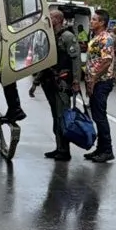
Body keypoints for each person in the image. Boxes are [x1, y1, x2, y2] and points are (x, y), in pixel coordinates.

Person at [39, 10, 81, 161]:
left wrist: (76, 81)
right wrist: (37, 81)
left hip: (62, 82)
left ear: (57, 19)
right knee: (55, 116)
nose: (48, 19)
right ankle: (59, 147)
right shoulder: (51, 37)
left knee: (62, 116)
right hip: (50, 81)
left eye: (50, 17)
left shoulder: (68, 37)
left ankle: (64, 150)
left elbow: (75, 60)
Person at [85, 8, 116, 163]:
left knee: (100, 117)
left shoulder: (105, 39)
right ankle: (100, 148)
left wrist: (94, 79)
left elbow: (106, 61)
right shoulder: (96, 37)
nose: (91, 22)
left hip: (102, 82)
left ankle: (107, 150)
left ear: (102, 22)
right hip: (95, 81)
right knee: (96, 116)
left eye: (94, 20)